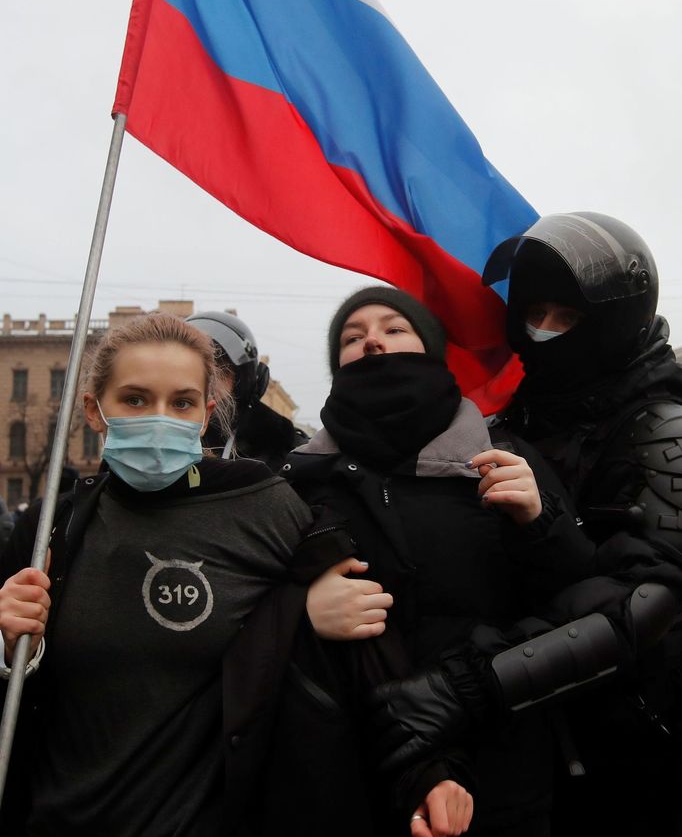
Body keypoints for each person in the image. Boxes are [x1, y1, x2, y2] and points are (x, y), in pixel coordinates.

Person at [0, 311, 470, 837]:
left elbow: (366, 661)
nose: (161, 419)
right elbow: (22, 696)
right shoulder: (51, 528)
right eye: (135, 399)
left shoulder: (262, 505)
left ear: (205, 416)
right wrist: (5, 642)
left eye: (181, 403)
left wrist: (424, 775)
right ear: (93, 410)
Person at [282, 285, 600, 837]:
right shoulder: (297, 478)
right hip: (351, 772)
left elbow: (583, 601)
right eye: (352, 338)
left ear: (430, 350)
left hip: (500, 763)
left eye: (394, 328)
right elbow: (245, 618)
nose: (372, 341)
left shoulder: (504, 456)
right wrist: (298, 611)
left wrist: (541, 524)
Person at [478, 210, 682, 836]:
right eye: (535, 313)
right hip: (525, 747)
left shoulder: (661, 427)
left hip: (632, 748)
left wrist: (464, 686)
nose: (543, 332)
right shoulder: (515, 420)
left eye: (566, 318)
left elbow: (648, 601)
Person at [185, 309, 307, 471]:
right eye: (192, 370)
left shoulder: (285, 450)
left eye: (220, 371)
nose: (206, 382)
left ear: (244, 384)